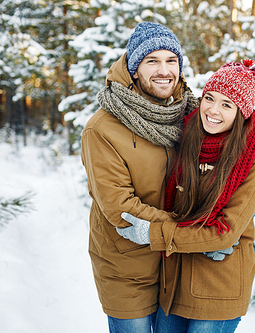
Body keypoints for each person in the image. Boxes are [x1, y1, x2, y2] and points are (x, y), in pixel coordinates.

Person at [117, 59, 255, 333]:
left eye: (227, 104)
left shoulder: (252, 155)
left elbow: (225, 232)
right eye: (209, 98)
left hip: (217, 290)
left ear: (242, 113)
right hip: (175, 283)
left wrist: (154, 234)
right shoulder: (189, 135)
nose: (213, 110)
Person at [80, 22, 198, 333]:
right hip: (126, 268)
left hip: (176, 265)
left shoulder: (188, 115)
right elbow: (120, 207)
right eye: (152, 61)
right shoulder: (103, 128)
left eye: (171, 61)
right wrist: (189, 233)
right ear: (134, 69)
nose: (164, 70)